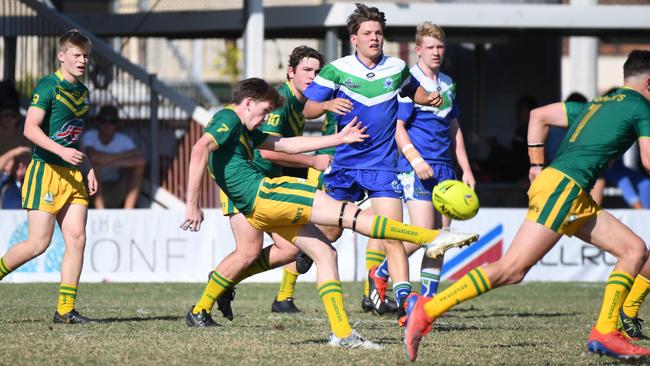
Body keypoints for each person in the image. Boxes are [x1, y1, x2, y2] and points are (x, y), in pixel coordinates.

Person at [181, 77, 477, 350]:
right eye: (264, 111)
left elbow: (285, 143)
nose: (264, 119)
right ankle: (432, 237)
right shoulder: (229, 117)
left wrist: (337, 139)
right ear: (248, 102)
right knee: (351, 215)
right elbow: (199, 149)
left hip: (260, 209)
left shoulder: (246, 130)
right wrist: (192, 203)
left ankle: (342, 333)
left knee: (326, 254)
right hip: (267, 195)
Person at [403, 49, 650, 362]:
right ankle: (427, 309)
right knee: (511, 270)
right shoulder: (641, 105)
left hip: (566, 190)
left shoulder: (596, 105)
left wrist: (536, 166)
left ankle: (606, 331)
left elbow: (538, 116)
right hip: (565, 188)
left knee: (634, 250)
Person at [302, 3, 456, 315]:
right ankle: (305, 250)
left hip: (383, 167)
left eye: (378, 33)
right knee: (331, 232)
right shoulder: (337, 69)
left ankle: (403, 301)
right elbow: (308, 109)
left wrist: (430, 97)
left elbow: (414, 92)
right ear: (353, 38)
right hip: (344, 165)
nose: (374, 38)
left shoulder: (397, 68)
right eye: (367, 33)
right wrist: (328, 106)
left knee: (392, 233)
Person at [365, 23, 476, 316]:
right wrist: (415, 159)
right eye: (430, 47)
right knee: (424, 233)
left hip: (445, 169)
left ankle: (428, 302)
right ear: (418, 50)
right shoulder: (409, 82)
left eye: (440, 47)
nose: (436, 52)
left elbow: (454, 129)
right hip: (416, 167)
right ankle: (381, 272)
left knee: (441, 237)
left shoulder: (449, 83)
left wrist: (466, 168)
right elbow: (398, 128)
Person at [214, 46, 331, 317]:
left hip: (269, 184)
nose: (313, 77)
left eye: (317, 72)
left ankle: (225, 282)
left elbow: (287, 147)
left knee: (290, 249)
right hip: (246, 184)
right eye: (306, 70)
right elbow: (267, 150)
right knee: (248, 252)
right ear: (291, 72)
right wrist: (313, 161)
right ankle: (206, 302)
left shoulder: (300, 102)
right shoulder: (281, 100)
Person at [0, 29, 97, 324]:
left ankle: (65, 311)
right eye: (77, 55)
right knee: (37, 243)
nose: (82, 61)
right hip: (46, 171)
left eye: (86, 56)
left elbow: (73, 140)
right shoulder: (48, 85)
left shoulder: (83, 91)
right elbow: (30, 129)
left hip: (73, 175)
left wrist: (88, 165)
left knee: (77, 239)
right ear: (62, 56)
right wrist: (62, 152)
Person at [82, 105, 144, 209]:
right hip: (89, 189)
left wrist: (103, 160)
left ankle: (128, 211)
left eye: (112, 121)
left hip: (115, 188)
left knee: (138, 167)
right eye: (103, 121)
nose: (107, 124)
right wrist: (122, 158)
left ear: (117, 124)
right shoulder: (90, 135)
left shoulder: (123, 139)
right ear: (97, 122)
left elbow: (140, 159)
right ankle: (101, 211)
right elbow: (92, 157)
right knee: (94, 166)